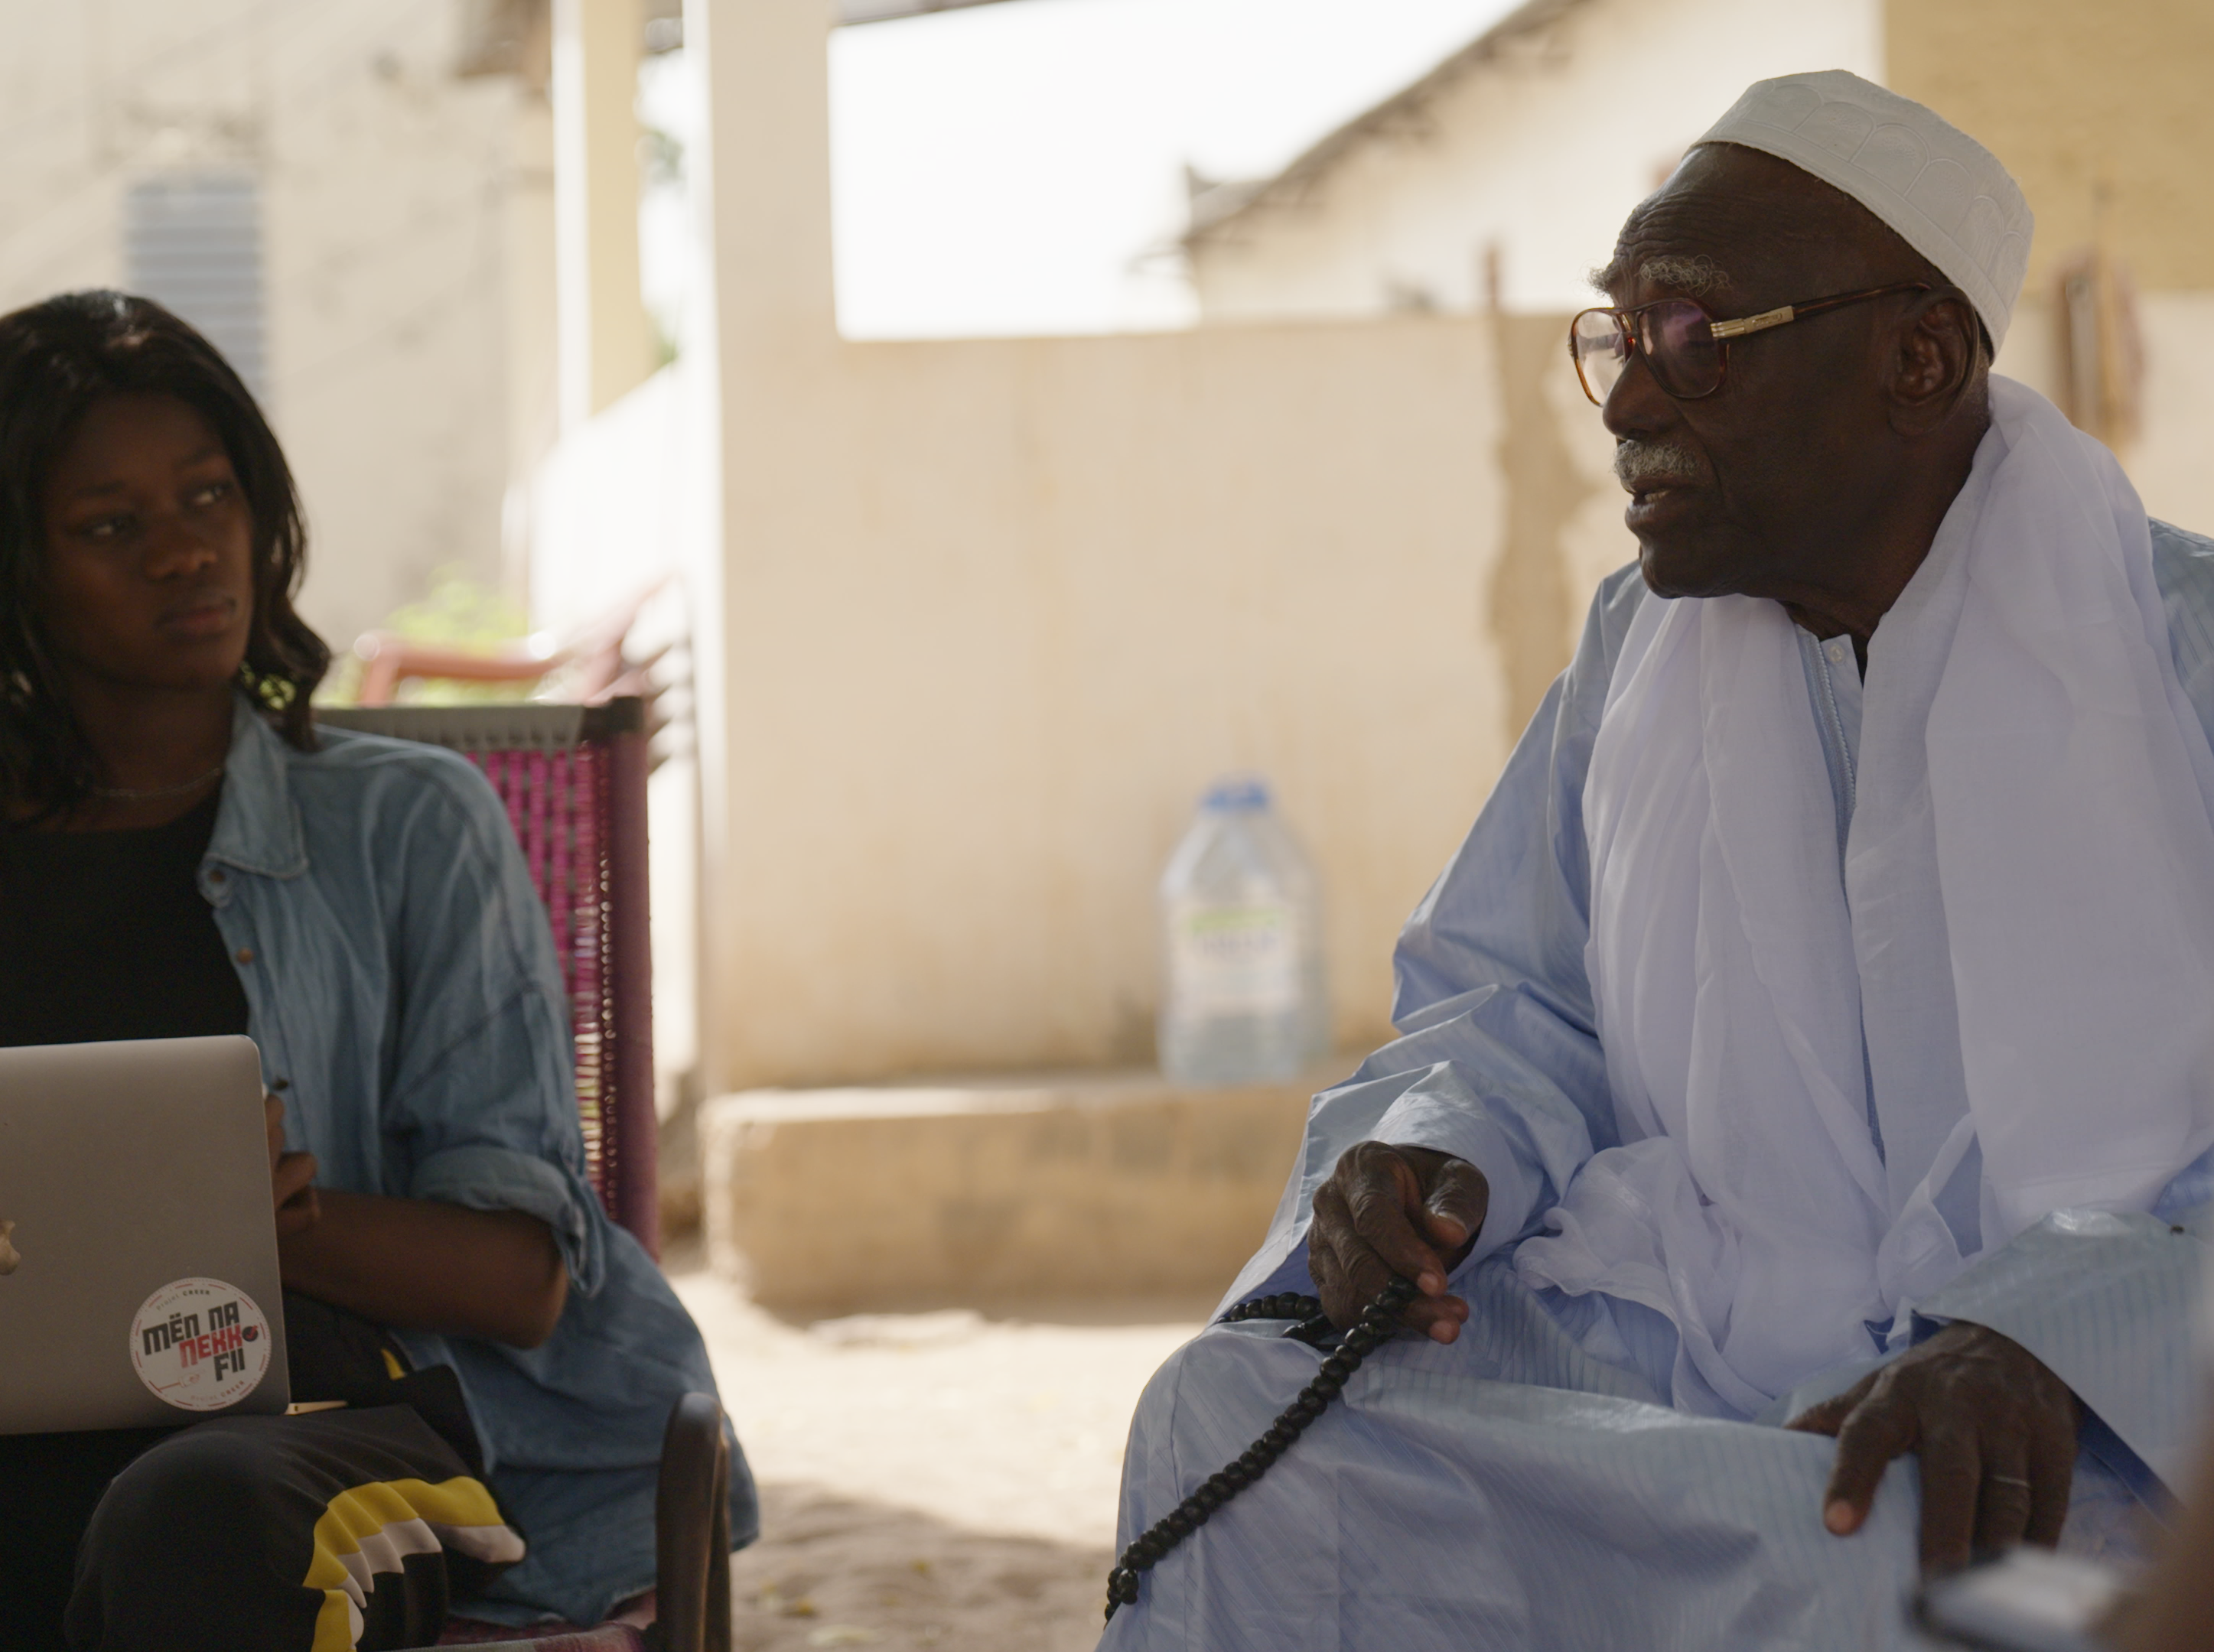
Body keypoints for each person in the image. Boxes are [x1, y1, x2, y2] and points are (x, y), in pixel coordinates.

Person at [1105, 71, 2214, 1651]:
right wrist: (1430, 1159)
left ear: (1915, 359)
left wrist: (2051, 1332)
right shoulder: (1637, 652)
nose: (1626, 403)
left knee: (1879, 1546)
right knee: (1230, 1419)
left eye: (1694, 337)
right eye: (1616, 337)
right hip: (1688, 1328)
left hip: (2082, 1396)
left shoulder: (2178, 651)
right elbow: (1509, 1006)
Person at [0, 290, 758, 1650]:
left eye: (210, 495)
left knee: (193, 1513)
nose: (186, 550)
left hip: (342, 1424)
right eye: (111, 526)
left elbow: (520, 1280)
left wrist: (271, 1223)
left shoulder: (408, 830)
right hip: (30, 1416)